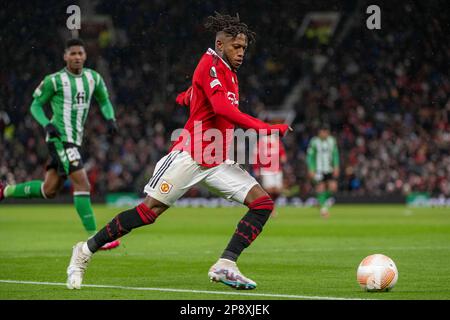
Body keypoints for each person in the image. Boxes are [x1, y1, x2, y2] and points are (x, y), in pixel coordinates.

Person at [66, 12, 291, 290]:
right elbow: (222, 108)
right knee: (148, 213)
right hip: (190, 156)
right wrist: (265, 127)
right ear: (220, 45)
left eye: (244, 47)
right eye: (236, 46)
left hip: (217, 161)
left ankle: (226, 264)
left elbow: (204, 98)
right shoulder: (209, 64)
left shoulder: (228, 73)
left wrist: (188, 96)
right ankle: (84, 252)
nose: (241, 52)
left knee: (262, 204)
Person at [0, 38, 120, 250]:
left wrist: (110, 118)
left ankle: (4, 191)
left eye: (80, 53)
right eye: (72, 54)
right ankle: (97, 238)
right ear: (65, 56)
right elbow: (36, 105)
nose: (76, 57)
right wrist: (46, 124)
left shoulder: (94, 78)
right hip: (60, 139)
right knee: (82, 184)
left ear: (85, 55)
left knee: (49, 190)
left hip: (75, 140)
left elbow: (104, 100)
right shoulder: (54, 80)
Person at [306, 124, 340, 218]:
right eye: (323, 131)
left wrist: (336, 166)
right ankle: (323, 209)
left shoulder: (332, 141)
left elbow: (335, 154)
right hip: (318, 170)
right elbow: (310, 156)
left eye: (326, 131)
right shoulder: (314, 141)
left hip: (329, 168)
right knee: (320, 187)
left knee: (333, 187)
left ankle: (320, 201)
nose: (324, 133)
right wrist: (311, 169)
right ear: (319, 132)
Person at [252, 128, 287, 217]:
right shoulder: (261, 142)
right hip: (266, 169)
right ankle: (270, 208)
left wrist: (283, 156)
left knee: (278, 190)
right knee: (269, 189)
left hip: (277, 169)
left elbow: (282, 152)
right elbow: (256, 155)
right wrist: (256, 168)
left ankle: (271, 206)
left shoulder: (276, 141)